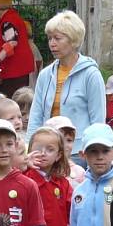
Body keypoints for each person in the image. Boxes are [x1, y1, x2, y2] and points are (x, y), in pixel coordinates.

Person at [26, 11, 105, 164]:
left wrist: (94, 152)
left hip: (79, 153)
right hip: (48, 151)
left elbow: (98, 120)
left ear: (73, 40)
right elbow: (36, 115)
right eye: (50, 38)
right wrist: (30, 149)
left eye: (57, 38)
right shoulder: (45, 75)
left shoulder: (91, 74)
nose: (52, 43)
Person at [0, 0, 35, 97]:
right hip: (21, 66)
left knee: (12, 98)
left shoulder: (8, 21)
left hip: (14, 68)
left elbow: (12, 42)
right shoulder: (14, 17)